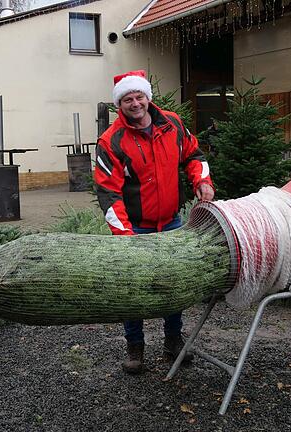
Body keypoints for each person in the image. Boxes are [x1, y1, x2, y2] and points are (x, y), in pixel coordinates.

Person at [95, 70, 215, 374]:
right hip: (134, 227)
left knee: (172, 282)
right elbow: (108, 192)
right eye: (127, 99)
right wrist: (125, 235)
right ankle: (135, 347)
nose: (135, 103)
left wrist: (201, 180)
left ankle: (173, 340)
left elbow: (194, 155)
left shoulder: (172, 123)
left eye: (139, 96)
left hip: (171, 222)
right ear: (119, 104)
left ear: (148, 97)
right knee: (133, 287)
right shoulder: (112, 141)